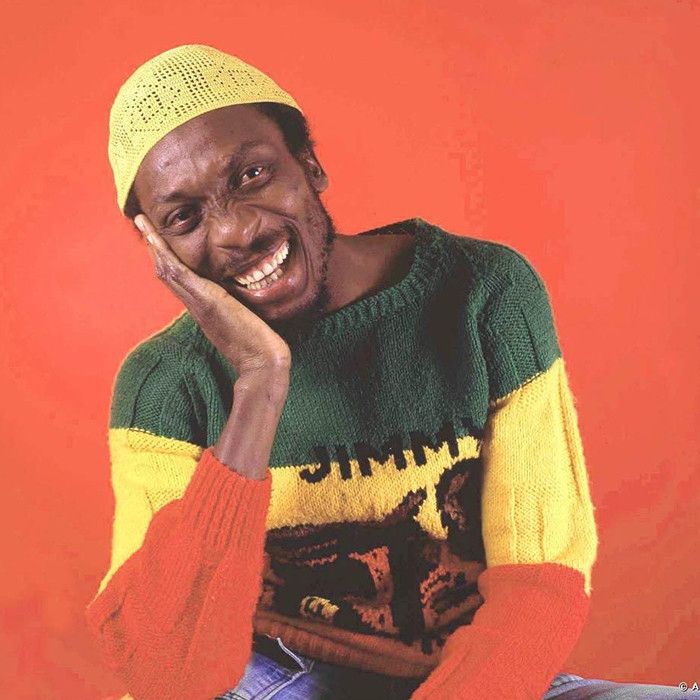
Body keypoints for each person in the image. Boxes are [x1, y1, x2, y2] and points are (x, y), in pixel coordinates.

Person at [85, 44, 686, 700]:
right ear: (160, 249)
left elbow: (539, 583)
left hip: (467, 677)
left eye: (252, 175)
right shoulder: (164, 382)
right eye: (185, 217)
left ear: (309, 163)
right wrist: (258, 381)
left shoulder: (484, 293)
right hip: (272, 678)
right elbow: (170, 673)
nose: (235, 230)